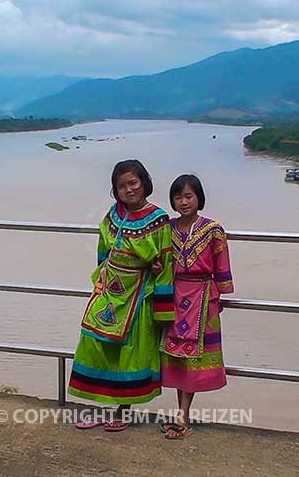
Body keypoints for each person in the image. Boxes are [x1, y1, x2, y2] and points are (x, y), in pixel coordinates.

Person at [69, 159, 175, 432]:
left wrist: (163, 310)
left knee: (129, 354)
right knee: (95, 345)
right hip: (110, 290)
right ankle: (96, 406)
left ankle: (122, 411)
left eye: (133, 183)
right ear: (115, 191)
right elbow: (103, 249)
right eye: (122, 186)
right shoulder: (113, 215)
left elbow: (165, 265)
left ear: (144, 184)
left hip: (138, 293)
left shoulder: (158, 219)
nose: (128, 190)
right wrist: (100, 279)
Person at [160, 174, 234, 440]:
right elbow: (159, 262)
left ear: (199, 197)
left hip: (202, 298)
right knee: (176, 355)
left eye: (188, 196)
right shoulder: (167, 228)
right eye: (178, 197)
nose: (183, 201)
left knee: (193, 356)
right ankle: (182, 414)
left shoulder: (214, 229)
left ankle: (183, 415)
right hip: (175, 296)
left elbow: (222, 263)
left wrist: (221, 295)